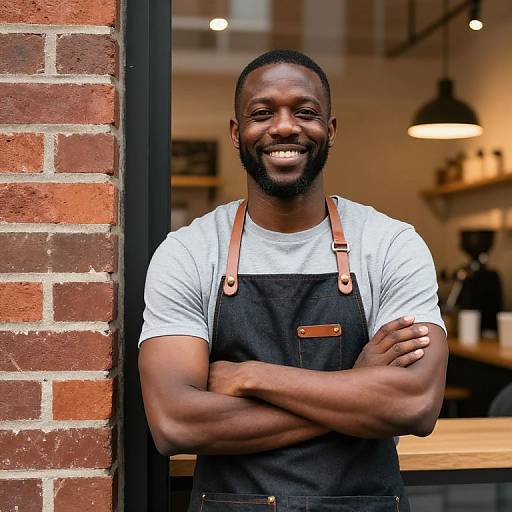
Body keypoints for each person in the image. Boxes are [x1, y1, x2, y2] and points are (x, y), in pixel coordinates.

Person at [138, 49, 448, 512]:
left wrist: (249, 376)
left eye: (305, 112)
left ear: (332, 130)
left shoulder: (389, 244)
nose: (284, 127)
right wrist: (357, 389)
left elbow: (415, 405)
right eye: (262, 113)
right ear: (235, 132)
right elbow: (175, 423)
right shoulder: (188, 252)